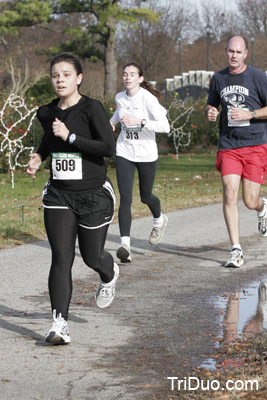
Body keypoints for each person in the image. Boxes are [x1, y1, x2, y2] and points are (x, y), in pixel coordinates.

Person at [26, 53, 118, 344]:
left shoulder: (91, 109)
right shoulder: (46, 112)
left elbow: (108, 147)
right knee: (61, 258)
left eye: (66, 74)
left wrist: (72, 138)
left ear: (78, 78)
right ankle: (59, 324)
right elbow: (48, 140)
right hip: (59, 194)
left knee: (92, 257)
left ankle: (109, 272)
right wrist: (39, 157)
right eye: (55, 75)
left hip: (93, 195)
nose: (60, 79)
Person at [206, 35, 267, 268]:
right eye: (231, 51)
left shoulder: (257, 77)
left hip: (255, 144)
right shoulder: (219, 78)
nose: (234, 55)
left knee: (249, 200)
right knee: (229, 193)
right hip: (229, 145)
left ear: (246, 54)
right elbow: (212, 104)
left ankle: (262, 207)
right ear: (225, 51)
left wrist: (250, 114)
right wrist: (210, 111)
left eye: (238, 52)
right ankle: (236, 249)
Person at [110, 62, 170, 263]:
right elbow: (119, 113)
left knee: (146, 197)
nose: (127, 77)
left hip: (146, 154)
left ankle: (159, 219)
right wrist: (111, 122)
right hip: (125, 151)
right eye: (125, 74)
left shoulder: (148, 99)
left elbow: (164, 126)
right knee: (125, 198)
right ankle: (125, 245)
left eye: (132, 74)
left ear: (140, 78)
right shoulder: (119, 97)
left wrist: (140, 122)